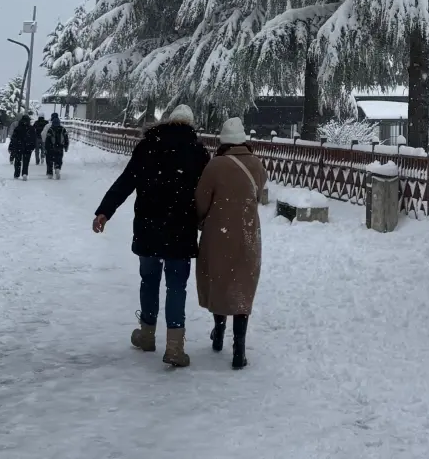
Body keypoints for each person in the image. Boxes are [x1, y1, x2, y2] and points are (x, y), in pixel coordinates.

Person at [92, 105, 210, 368]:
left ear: (168, 122)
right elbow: (207, 193)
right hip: (181, 230)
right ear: (191, 126)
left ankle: (146, 334)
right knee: (176, 286)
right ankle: (175, 348)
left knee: (149, 280)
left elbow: (125, 181)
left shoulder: (148, 146)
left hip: (149, 227)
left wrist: (104, 211)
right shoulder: (198, 152)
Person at [195, 117, 267, 369]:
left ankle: (218, 331)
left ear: (223, 142)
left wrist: (203, 219)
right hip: (248, 235)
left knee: (221, 281)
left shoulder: (215, 166)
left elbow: (201, 202)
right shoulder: (257, 164)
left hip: (219, 235)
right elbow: (258, 192)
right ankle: (240, 348)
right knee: (242, 288)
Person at [9, 114, 36, 180]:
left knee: (17, 160)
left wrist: (11, 146)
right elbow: (34, 138)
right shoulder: (31, 128)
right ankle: (24, 173)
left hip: (18, 146)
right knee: (26, 161)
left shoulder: (17, 128)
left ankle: (16, 174)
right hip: (28, 147)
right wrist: (33, 146)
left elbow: (13, 138)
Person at [45, 113, 69, 178]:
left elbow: (47, 139)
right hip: (60, 147)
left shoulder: (50, 129)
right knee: (59, 159)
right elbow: (66, 138)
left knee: (49, 160)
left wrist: (46, 148)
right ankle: (57, 167)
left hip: (51, 147)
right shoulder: (63, 129)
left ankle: (50, 173)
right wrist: (66, 146)